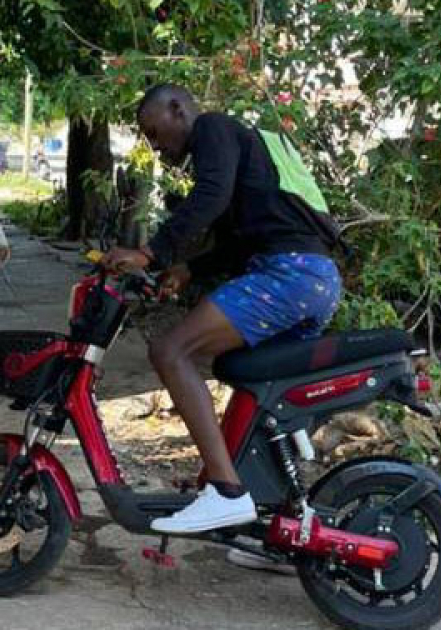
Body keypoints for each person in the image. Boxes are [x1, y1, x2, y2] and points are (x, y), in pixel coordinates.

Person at [100, 84, 342, 535]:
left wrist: (151, 253)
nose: (155, 145)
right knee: (252, 384)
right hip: (315, 278)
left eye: (155, 131)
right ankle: (285, 523)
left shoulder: (213, 127)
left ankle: (226, 492)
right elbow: (239, 241)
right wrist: (188, 270)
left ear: (178, 109)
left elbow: (209, 197)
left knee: (170, 351)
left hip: (288, 276)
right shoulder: (244, 149)